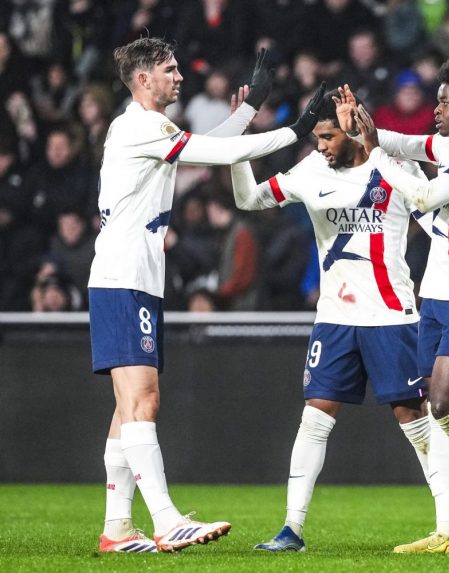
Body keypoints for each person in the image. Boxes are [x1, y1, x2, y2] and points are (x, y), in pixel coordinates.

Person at [88, 38, 325, 554]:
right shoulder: (141, 126)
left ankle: (117, 528)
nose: (179, 77)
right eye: (170, 70)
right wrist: (295, 131)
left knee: (127, 407)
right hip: (124, 278)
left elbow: (209, 143)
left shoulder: (148, 129)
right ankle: (167, 519)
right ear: (144, 79)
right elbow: (221, 152)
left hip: (133, 278)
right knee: (142, 401)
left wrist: (248, 108)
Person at [229, 90, 449, 553]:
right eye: (316, 137)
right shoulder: (310, 171)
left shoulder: (392, 169)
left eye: (327, 136)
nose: (319, 146)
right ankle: (292, 529)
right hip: (335, 318)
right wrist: (240, 143)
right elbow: (247, 199)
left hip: (391, 316)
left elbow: (440, 226)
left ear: (355, 130)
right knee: (314, 419)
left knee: (416, 419)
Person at [344, 56, 449, 554]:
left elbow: (420, 193)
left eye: (444, 100)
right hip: (437, 293)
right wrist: (367, 128)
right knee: (437, 410)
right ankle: (448, 528)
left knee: (443, 402)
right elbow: (408, 143)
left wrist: (374, 154)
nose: (436, 107)